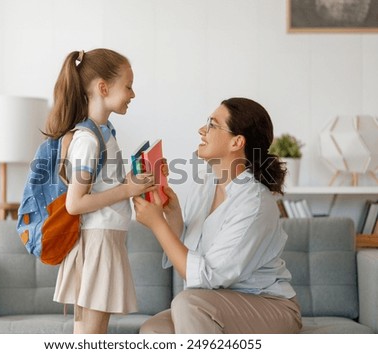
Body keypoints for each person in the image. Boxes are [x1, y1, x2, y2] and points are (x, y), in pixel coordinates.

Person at [133, 97, 303, 334]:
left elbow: (206, 276)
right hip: (215, 302)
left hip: (270, 307)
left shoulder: (254, 203)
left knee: (188, 303)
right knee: (153, 330)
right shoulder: (206, 183)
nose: (202, 130)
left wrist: (157, 224)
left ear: (237, 142)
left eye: (213, 125)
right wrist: (171, 213)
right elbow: (187, 251)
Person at [46, 49, 155, 334]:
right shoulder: (88, 140)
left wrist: (132, 183)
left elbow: (105, 187)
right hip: (96, 242)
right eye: (128, 86)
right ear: (103, 87)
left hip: (107, 240)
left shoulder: (105, 134)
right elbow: (76, 203)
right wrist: (128, 189)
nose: (132, 94)